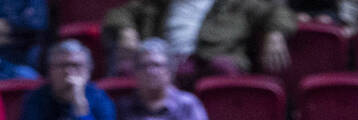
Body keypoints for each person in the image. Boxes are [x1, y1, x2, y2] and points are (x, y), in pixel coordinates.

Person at [104, 0, 295, 83]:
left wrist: (275, 34)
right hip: (167, 62)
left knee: (223, 68)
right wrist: (126, 30)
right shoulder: (160, 2)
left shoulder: (238, 2)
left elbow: (278, 12)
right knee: (129, 70)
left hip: (210, 61)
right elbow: (119, 13)